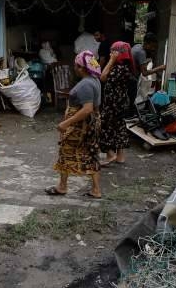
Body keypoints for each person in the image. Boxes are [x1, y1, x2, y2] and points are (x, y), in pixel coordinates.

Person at [47, 51, 103, 199]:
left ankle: (62, 186)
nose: (74, 68)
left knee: (66, 152)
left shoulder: (85, 84)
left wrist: (66, 123)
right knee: (91, 153)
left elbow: (87, 109)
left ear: (80, 67)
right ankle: (96, 189)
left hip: (80, 126)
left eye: (75, 65)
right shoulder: (95, 79)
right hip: (91, 123)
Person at [99, 41, 136, 166]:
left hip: (113, 103)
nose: (110, 54)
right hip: (120, 102)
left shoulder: (118, 68)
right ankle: (120, 156)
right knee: (118, 127)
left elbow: (103, 77)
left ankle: (111, 154)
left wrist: (111, 60)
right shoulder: (125, 67)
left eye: (113, 52)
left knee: (104, 127)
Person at [132, 32, 167, 100]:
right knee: (133, 99)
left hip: (129, 76)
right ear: (146, 43)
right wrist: (160, 68)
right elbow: (144, 73)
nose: (152, 48)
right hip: (132, 78)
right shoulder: (142, 53)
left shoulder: (137, 46)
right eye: (152, 46)